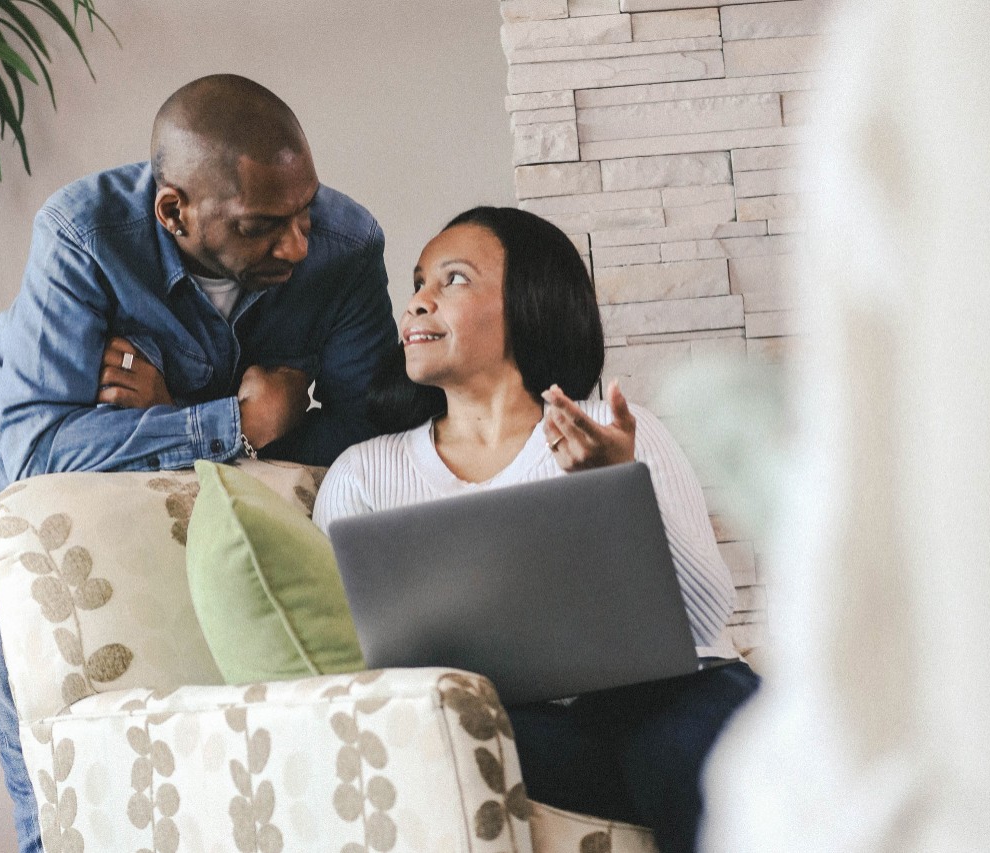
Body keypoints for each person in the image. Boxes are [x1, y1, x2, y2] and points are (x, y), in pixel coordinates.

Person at [0, 74, 396, 851]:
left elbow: (365, 434)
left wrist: (175, 411)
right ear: (173, 209)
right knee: (55, 776)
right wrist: (238, 419)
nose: (297, 245)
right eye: (263, 225)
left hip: (192, 496)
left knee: (202, 768)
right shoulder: (82, 232)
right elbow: (39, 447)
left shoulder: (346, 249)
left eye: (305, 211)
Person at [312, 206, 758, 853]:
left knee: (686, 748)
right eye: (417, 282)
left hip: (673, 698)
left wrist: (615, 487)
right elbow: (351, 652)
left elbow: (708, 614)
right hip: (517, 723)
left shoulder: (610, 427)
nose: (417, 302)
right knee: (443, 750)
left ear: (527, 303)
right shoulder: (363, 473)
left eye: (453, 279)